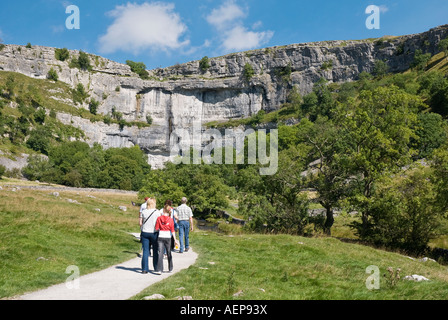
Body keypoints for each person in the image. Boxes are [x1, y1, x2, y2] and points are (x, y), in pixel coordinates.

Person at [154, 203, 179, 274]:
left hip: (161, 236)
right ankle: (170, 267)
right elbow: (173, 230)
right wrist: (175, 240)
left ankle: (159, 269)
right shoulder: (170, 219)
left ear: (163, 210)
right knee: (168, 252)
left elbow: (156, 228)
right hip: (168, 237)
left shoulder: (159, 218)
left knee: (160, 253)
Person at [139, 198, 160, 274]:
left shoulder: (144, 212)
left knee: (145, 251)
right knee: (155, 250)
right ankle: (156, 267)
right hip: (154, 232)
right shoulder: (157, 212)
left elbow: (140, 223)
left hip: (145, 232)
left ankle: (144, 269)